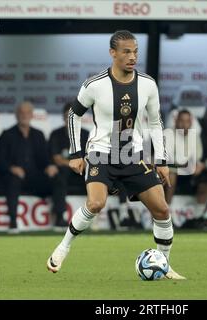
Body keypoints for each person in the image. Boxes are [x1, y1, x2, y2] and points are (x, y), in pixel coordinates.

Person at [46, 30, 185, 280]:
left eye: (135, 51)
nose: (132, 57)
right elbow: (73, 115)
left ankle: (164, 264)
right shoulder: (94, 85)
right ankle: (63, 246)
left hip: (133, 156)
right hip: (101, 154)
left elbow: (155, 123)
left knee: (162, 210)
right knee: (96, 204)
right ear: (113, 53)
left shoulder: (147, 84)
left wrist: (162, 160)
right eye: (126, 52)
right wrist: (76, 152)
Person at [0, 102, 58, 233]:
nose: (24, 115)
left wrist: (49, 166)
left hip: (35, 177)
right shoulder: (7, 135)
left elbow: (44, 159)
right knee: (13, 180)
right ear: (16, 115)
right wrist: (11, 168)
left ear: (32, 115)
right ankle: (13, 222)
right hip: (15, 177)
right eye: (21, 113)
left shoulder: (39, 135)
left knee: (57, 178)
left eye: (27, 113)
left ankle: (61, 218)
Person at [164, 109, 207, 227]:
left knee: (205, 182)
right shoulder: (168, 134)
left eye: (187, 121)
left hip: (189, 173)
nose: (184, 124)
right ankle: (166, 215)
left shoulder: (195, 136)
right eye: (181, 121)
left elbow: (198, 158)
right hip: (172, 172)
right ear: (176, 121)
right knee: (171, 177)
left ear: (191, 123)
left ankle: (198, 217)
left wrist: (199, 165)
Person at [48, 103, 89, 230]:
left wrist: (80, 164)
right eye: (67, 117)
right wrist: (74, 163)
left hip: (82, 172)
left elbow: (90, 157)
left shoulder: (86, 134)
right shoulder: (56, 134)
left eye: (74, 116)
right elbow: (57, 159)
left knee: (96, 173)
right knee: (61, 174)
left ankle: (94, 216)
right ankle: (60, 216)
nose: (70, 120)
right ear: (63, 118)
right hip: (65, 173)